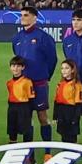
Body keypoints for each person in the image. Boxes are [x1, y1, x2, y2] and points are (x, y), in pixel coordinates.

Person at [12, 8, 58, 143]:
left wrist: (45, 76)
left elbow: (52, 59)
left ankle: (47, 151)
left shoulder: (44, 37)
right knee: (26, 118)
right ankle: (29, 153)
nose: (22, 18)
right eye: (21, 15)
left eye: (26, 15)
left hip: (39, 84)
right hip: (22, 84)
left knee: (42, 116)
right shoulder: (17, 38)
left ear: (34, 18)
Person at [53, 60, 82, 146]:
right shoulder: (60, 84)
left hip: (71, 112)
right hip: (61, 112)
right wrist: (55, 116)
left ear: (73, 70)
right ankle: (65, 152)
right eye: (62, 68)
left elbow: (78, 104)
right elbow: (56, 101)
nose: (64, 70)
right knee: (63, 134)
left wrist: (75, 119)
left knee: (71, 136)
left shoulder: (77, 85)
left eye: (67, 68)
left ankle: (73, 153)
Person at [4, 56, 34, 144]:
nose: (15, 68)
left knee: (26, 130)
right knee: (12, 130)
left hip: (24, 107)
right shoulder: (9, 83)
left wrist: (28, 112)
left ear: (22, 67)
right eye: (13, 66)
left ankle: (29, 155)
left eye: (18, 66)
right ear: (10, 67)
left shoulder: (27, 82)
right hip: (12, 107)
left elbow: (31, 98)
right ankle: (12, 151)